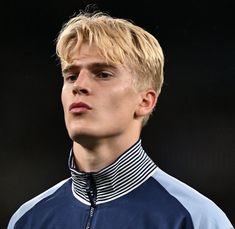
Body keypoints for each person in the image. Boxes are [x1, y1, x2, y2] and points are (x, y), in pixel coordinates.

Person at [8, 10, 233, 229]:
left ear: (145, 102)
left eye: (103, 74)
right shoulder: (27, 219)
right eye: (71, 75)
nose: (79, 85)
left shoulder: (194, 218)